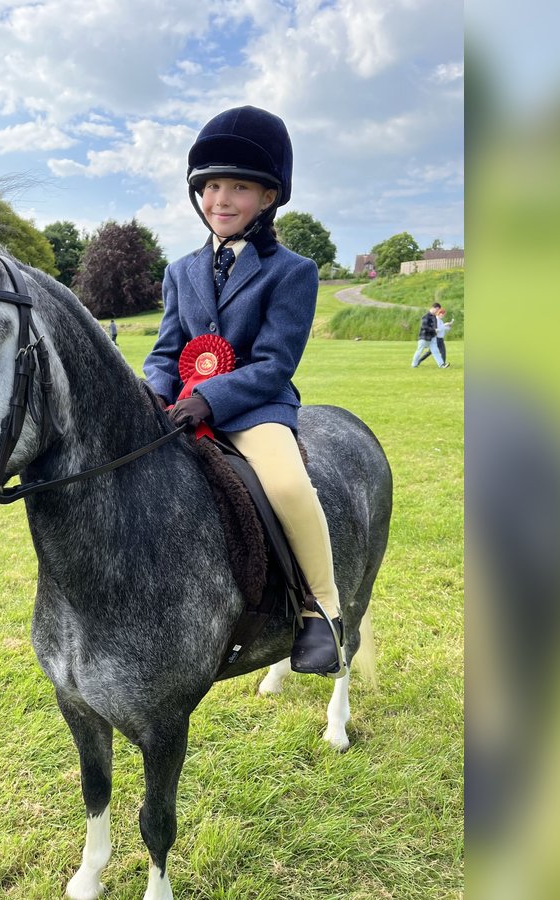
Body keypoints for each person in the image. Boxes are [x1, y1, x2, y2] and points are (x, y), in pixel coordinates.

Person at [143, 105, 346, 678]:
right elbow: (165, 350)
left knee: (286, 482)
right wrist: (153, 394)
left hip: (255, 409)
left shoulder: (293, 271)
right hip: (182, 407)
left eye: (238, 187)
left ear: (268, 197)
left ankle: (323, 609)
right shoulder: (180, 271)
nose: (221, 199)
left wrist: (212, 399)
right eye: (210, 187)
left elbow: (274, 363)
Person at [412, 302, 448, 368]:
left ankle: (441, 365)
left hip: (433, 337)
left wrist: (437, 330)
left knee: (435, 351)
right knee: (419, 351)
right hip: (424, 337)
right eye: (437, 310)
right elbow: (424, 327)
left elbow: (435, 327)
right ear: (435, 308)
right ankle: (414, 364)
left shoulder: (434, 317)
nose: (437, 312)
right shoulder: (425, 317)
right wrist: (434, 330)